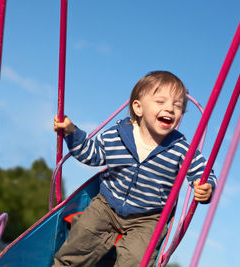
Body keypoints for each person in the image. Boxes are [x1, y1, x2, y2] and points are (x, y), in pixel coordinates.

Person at [52, 70, 217, 267]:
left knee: (137, 259)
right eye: (160, 102)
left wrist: (205, 186)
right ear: (138, 107)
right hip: (107, 205)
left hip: (148, 218)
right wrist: (72, 133)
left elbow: (202, 171)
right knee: (82, 237)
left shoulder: (181, 149)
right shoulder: (117, 135)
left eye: (177, 105)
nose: (170, 109)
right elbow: (92, 154)